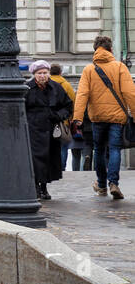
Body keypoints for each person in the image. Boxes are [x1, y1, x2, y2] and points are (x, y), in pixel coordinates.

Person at [72, 35, 135, 200]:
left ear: (95, 50)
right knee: (114, 149)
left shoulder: (89, 70)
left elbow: (82, 94)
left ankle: (101, 185)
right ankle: (113, 183)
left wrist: (77, 117)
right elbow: (130, 93)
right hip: (117, 118)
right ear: (110, 49)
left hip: (97, 117)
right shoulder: (120, 67)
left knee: (98, 150)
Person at [25, 60, 71, 200]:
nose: (43, 76)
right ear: (34, 74)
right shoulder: (27, 88)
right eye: (39, 73)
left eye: (45, 73)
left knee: (48, 159)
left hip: (51, 129)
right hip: (33, 129)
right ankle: (36, 188)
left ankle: (44, 187)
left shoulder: (56, 87)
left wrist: (58, 116)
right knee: (35, 159)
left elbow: (68, 106)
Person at [50, 64, 76, 170]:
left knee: (50, 146)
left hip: (49, 121)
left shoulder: (46, 84)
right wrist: (71, 118)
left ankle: (51, 167)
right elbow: (73, 102)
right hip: (63, 122)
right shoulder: (66, 85)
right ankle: (61, 168)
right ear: (60, 72)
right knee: (63, 147)